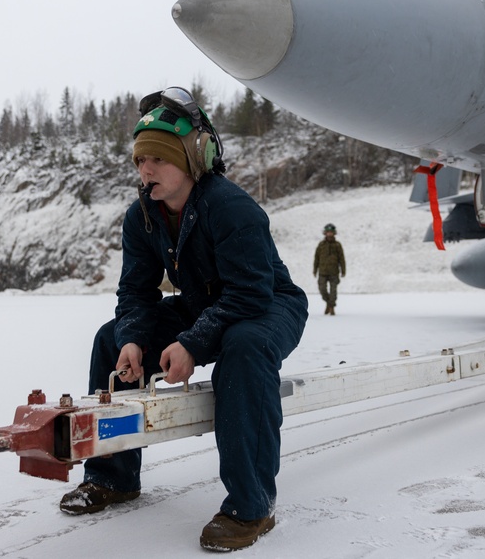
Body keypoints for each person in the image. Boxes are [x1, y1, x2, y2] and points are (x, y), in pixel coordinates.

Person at [58, 87, 308, 552]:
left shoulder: (232, 207)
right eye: (139, 160)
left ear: (189, 159)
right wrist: (134, 339)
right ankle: (113, 477)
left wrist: (192, 343)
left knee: (245, 347)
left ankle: (252, 506)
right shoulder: (142, 217)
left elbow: (250, 294)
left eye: (157, 158)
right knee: (110, 340)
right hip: (204, 304)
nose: (144, 170)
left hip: (268, 304)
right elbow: (136, 291)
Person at [313, 223, 346, 315]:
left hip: (334, 272)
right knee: (322, 289)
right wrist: (315, 270)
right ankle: (329, 303)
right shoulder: (321, 245)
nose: (329, 234)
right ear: (325, 233)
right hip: (322, 272)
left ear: (334, 233)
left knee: (333, 292)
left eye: (331, 232)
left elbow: (341, 259)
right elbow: (316, 258)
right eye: (328, 232)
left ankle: (331, 308)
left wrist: (343, 270)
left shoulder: (337, 245)